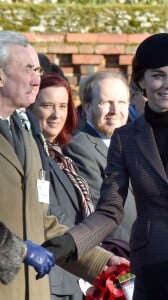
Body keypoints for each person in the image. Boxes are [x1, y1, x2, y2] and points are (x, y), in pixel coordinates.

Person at [44, 24, 168, 300]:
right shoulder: (126, 138)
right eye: (158, 76)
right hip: (152, 276)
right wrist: (67, 243)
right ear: (141, 82)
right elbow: (109, 211)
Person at [0, 30, 128, 300]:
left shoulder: (26, 133)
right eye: (27, 70)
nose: (37, 79)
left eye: (38, 69)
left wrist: (99, 262)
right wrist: (17, 250)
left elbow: (42, 220)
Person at [29, 73, 93, 300]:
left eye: (63, 106)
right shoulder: (31, 154)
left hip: (74, 276)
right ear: (30, 106)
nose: (57, 115)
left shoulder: (62, 157)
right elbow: (49, 216)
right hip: (51, 277)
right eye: (47, 105)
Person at [62, 70, 136, 252]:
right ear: (87, 107)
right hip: (118, 255)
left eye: (121, 102)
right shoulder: (78, 148)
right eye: (106, 103)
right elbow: (101, 212)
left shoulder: (135, 143)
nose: (115, 110)